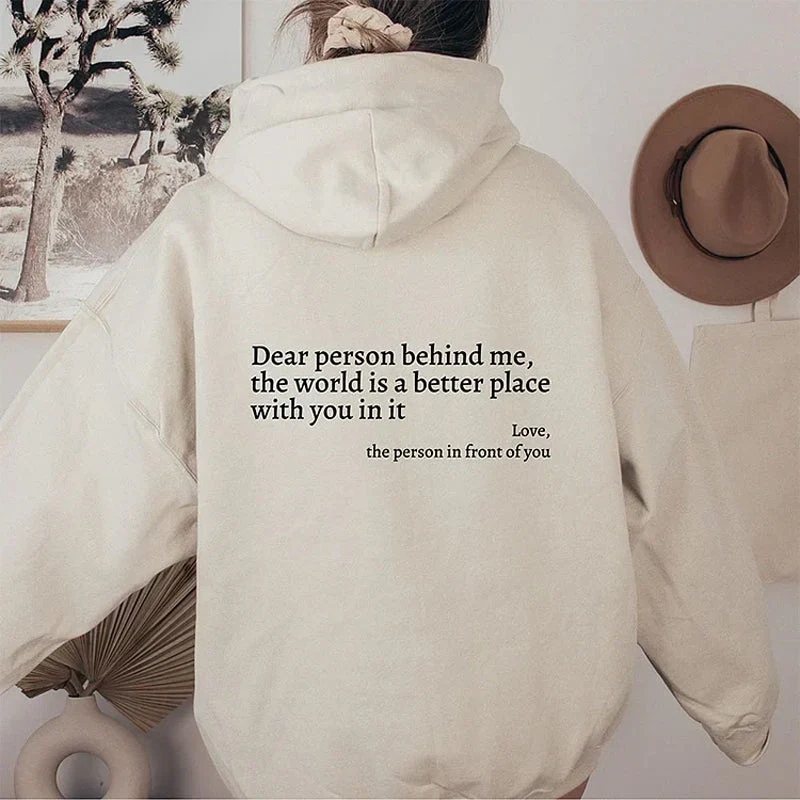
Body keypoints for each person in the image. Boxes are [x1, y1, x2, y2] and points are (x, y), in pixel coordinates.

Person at [0, 1, 779, 798]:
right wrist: (737, 701)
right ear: (476, 35)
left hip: (302, 755)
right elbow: (665, 478)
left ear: (316, 27)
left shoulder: (206, 235)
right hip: (528, 749)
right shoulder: (554, 216)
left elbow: (64, 483)